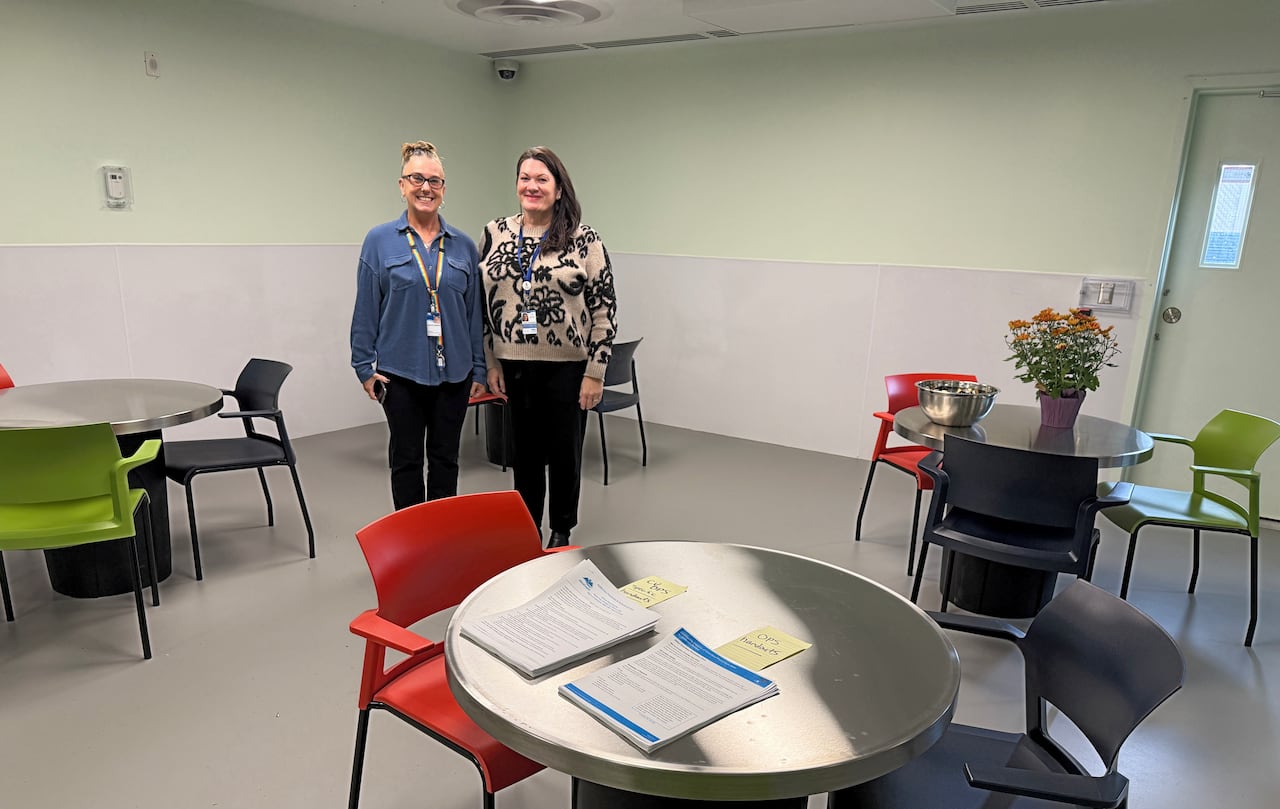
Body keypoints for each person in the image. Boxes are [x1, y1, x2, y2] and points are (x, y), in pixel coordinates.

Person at [480, 146, 617, 548]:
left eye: (542, 179)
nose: (532, 186)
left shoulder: (583, 239)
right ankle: (526, 528)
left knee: (564, 454)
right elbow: (481, 305)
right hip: (514, 365)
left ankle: (561, 529)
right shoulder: (495, 232)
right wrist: (490, 361)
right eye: (525, 178)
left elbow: (604, 308)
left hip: (568, 367)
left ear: (559, 189)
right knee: (523, 456)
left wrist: (596, 372)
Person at [351, 140, 486, 509]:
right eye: (417, 179)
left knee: (446, 460)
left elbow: (474, 314)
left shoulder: (463, 246)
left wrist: (479, 369)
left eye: (435, 181)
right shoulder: (379, 241)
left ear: (444, 189)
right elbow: (366, 309)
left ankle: (442, 536)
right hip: (400, 375)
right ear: (402, 185)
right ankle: (413, 539)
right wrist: (364, 366)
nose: (426, 187)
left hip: (455, 376)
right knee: (406, 461)